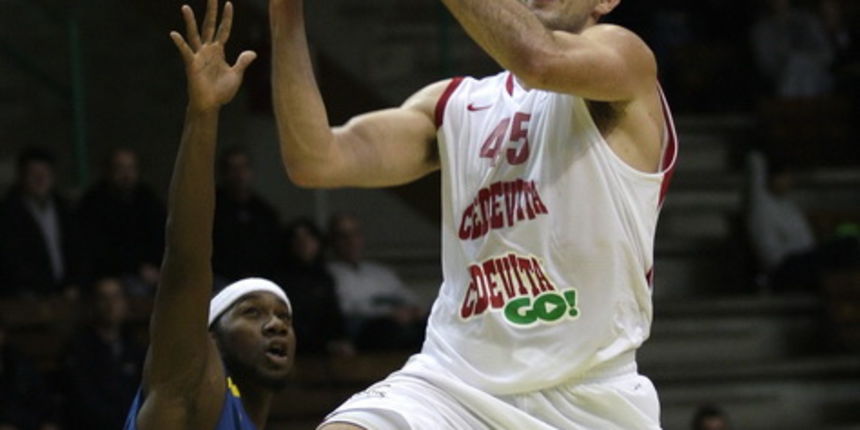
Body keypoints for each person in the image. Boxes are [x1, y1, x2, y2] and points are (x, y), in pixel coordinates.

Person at [270, 0, 677, 427]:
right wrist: (286, 20)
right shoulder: (454, 103)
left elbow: (538, 60)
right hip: (452, 384)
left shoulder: (625, 56)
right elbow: (317, 160)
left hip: (589, 396)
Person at [122, 2, 295, 429]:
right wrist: (204, 114)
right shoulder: (191, 387)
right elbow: (186, 260)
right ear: (210, 338)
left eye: (282, 317)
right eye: (252, 314)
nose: (275, 325)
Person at [327, 213, 426, 351]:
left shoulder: (379, 272)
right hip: (367, 330)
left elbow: (406, 294)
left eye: (355, 234)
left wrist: (413, 310)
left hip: (400, 322)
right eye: (343, 236)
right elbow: (347, 309)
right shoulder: (329, 274)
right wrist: (389, 313)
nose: (351, 242)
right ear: (333, 241)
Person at [77, 148, 165, 294]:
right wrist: (137, 268)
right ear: (108, 171)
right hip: (113, 274)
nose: (126, 174)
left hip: (152, 272)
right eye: (120, 168)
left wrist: (157, 267)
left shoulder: (147, 198)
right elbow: (98, 249)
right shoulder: (94, 203)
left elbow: (161, 236)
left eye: (130, 168)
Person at [63, 278, 145, 430]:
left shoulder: (135, 348)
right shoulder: (80, 350)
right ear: (94, 304)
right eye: (104, 298)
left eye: (116, 297)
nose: (111, 304)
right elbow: (84, 401)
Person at [0, 147, 81, 298]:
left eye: (45, 173)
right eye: (33, 174)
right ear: (21, 176)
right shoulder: (8, 213)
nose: (40, 179)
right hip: (26, 293)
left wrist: (73, 283)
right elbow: (11, 259)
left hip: (66, 291)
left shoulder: (64, 209)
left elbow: (76, 249)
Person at [275, 218, 353, 356]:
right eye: (297, 238)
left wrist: (340, 340)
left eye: (309, 237)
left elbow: (333, 315)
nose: (303, 243)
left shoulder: (324, 278)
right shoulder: (281, 280)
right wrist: (325, 345)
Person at [213, 145, 281, 284]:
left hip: (260, 281)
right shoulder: (210, 208)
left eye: (243, 167)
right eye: (232, 168)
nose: (239, 174)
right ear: (223, 173)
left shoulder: (264, 211)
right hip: (221, 281)